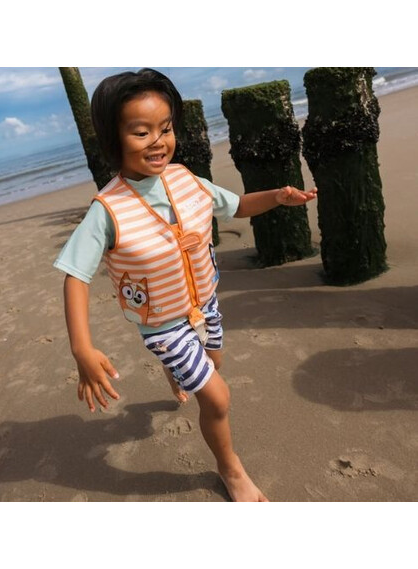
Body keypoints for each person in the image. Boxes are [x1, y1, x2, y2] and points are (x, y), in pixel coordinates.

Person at [54, 68, 317, 502]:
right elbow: (75, 276)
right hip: (163, 325)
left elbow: (236, 206)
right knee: (217, 398)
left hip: (205, 303)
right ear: (113, 138)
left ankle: (176, 371)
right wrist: (82, 349)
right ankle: (231, 470)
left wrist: (276, 197)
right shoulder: (107, 210)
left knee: (216, 363)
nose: (158, 141)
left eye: (166, 128)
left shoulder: (186, 179)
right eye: (141, 132)